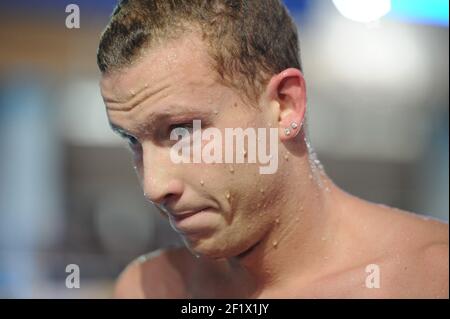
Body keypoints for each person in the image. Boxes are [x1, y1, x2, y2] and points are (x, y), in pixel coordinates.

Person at [97, 0, 448, 298]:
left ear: (285, 105)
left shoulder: (431, 279)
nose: (154, 187)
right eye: (133, 140)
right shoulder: (153, 288)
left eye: (181, 131)